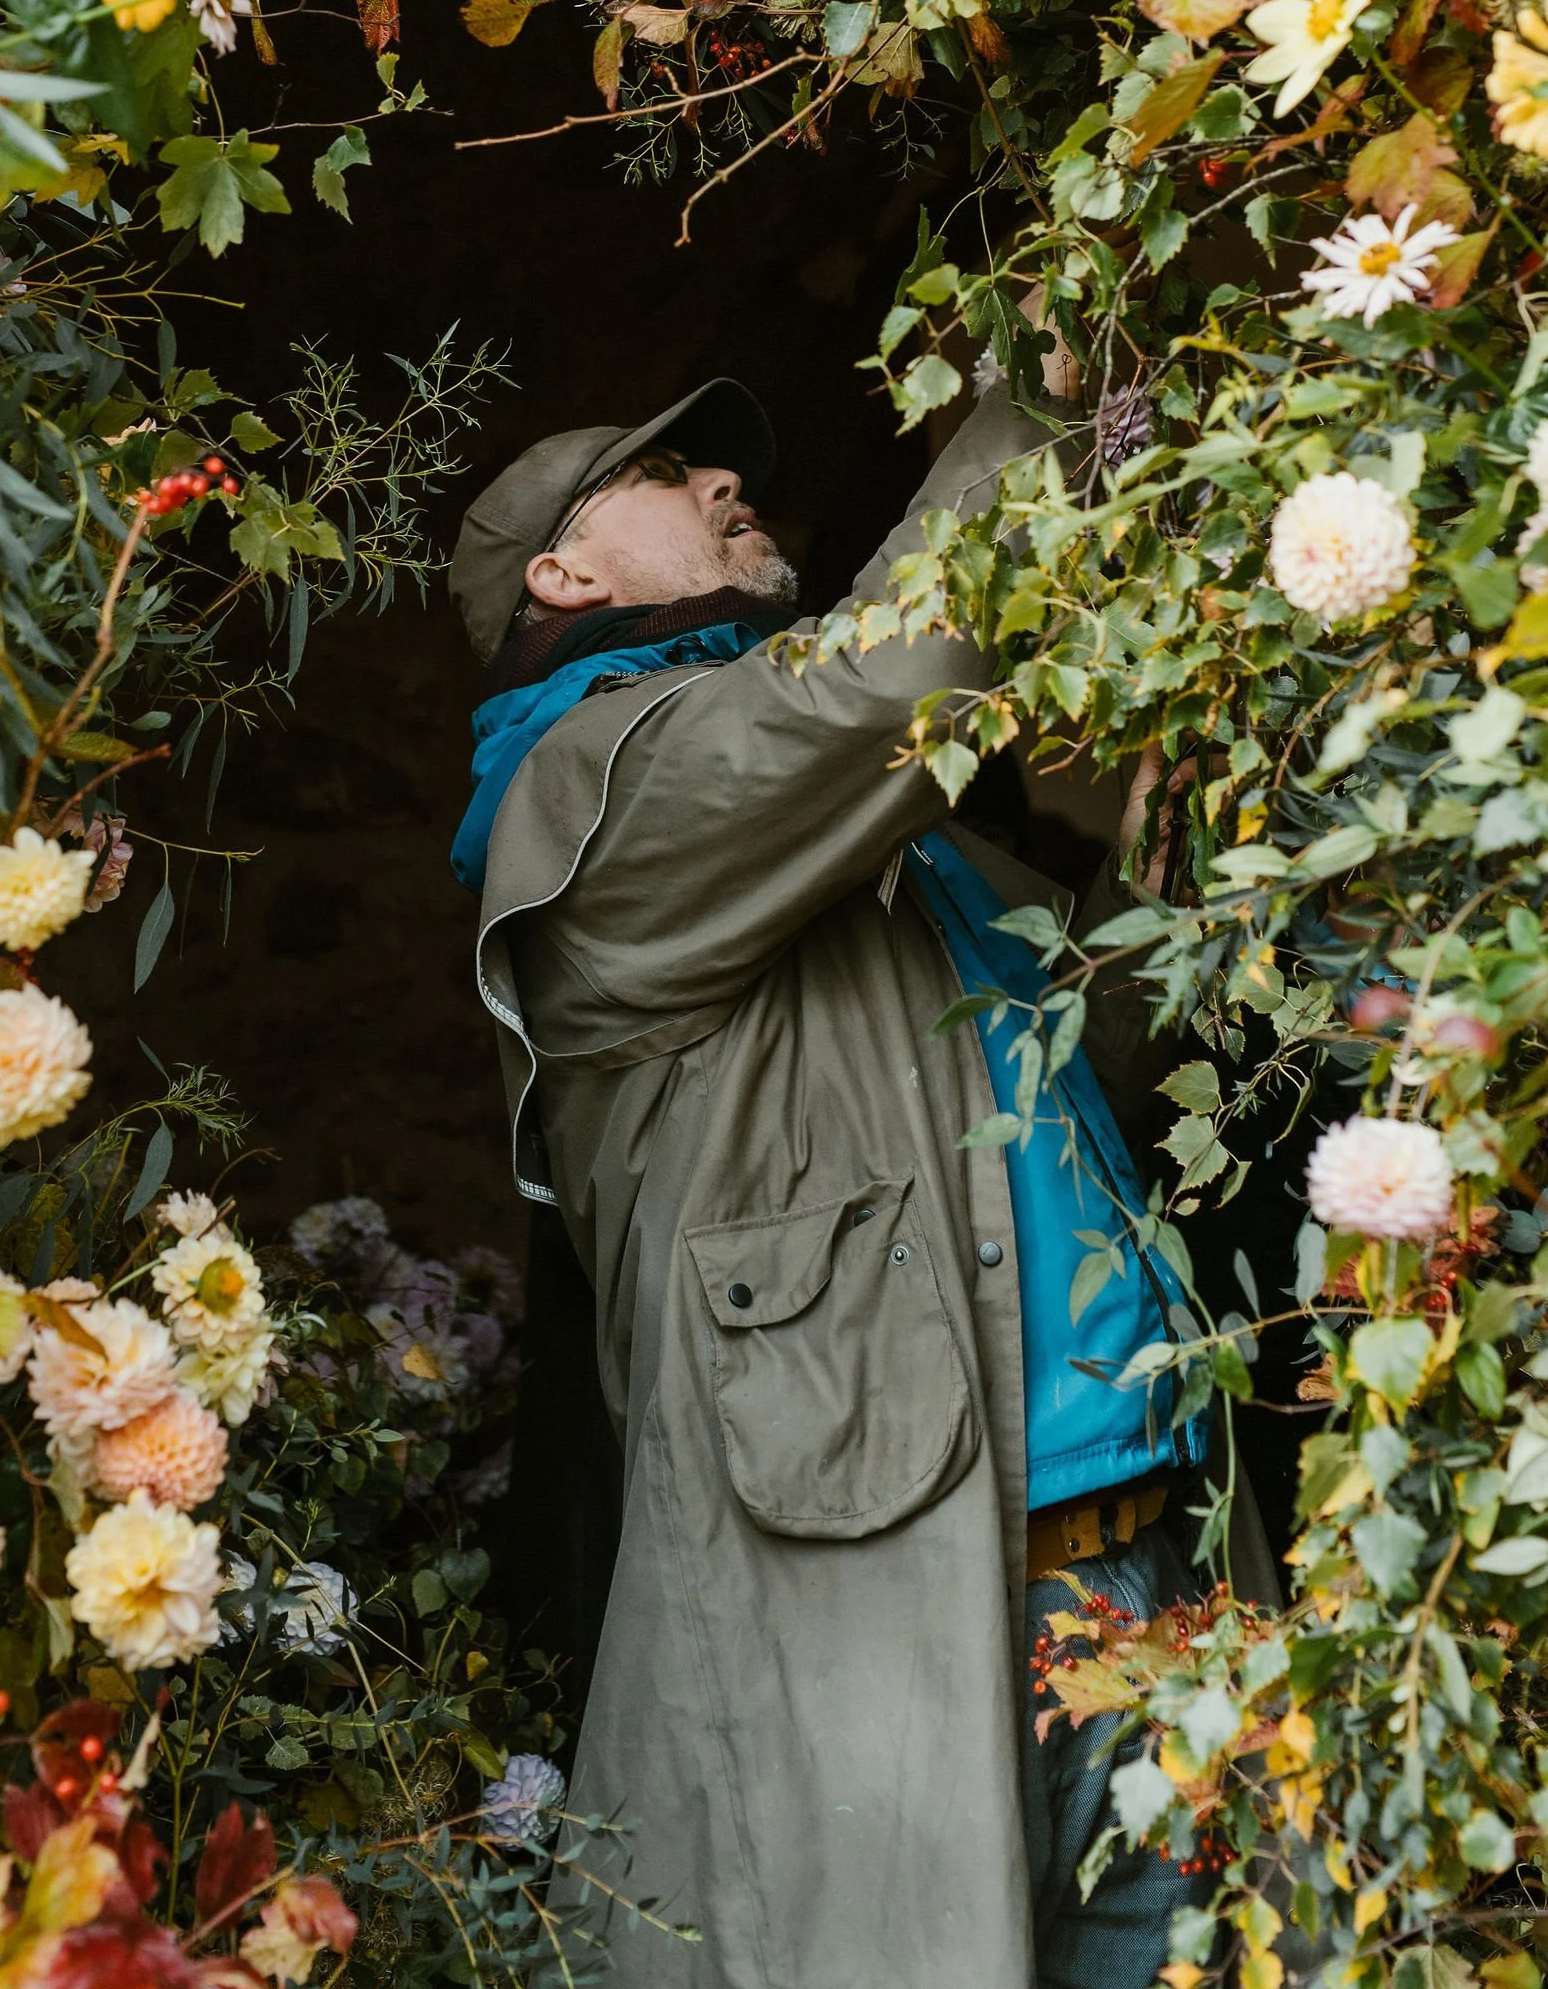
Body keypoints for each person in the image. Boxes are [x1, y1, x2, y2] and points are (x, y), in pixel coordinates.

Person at [449, 372, 1271, 1989]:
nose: (731, 490)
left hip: (1151, 1567)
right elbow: (879, 684)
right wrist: (1047, 395)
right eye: (672, 473)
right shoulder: (587, 790)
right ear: (564, 577)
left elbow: (1121, 1071)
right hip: (918, 1615)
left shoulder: (900, 854)